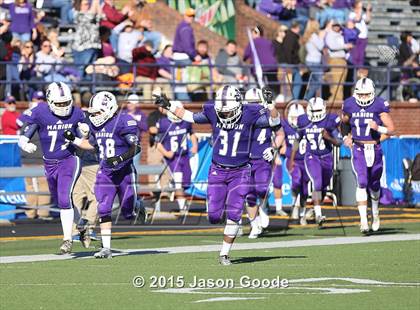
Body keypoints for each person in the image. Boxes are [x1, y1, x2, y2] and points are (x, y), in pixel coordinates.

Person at [153, 85, 281, 265]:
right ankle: (223, 218)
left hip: (241, 170)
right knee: (213, 216)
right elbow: (190, 116)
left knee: (235, 212)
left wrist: (270, 105)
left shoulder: (250, 112)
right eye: (223, 112)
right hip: (217, 169)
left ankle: (224, 254)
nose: (225, 115)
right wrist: (168, 105)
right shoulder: (213, 111)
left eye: (229, 112)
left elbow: (275, 124)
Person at [63, 91, 145, 258]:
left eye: (98, 112)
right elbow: (92, 145)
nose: (94, 116)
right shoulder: (95, 124)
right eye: (92, 112)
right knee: (104, 207)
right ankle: (106, 248)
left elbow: (136, 147)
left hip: (124, 171)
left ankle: (137, 205)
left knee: (128, 212)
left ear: (109, 108)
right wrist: (75, 140)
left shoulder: (124, 121)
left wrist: (120, 158)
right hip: (105, 172)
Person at [17, 82, 86, 254]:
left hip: (69, 160)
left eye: (66, 103)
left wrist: (85, 132)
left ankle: (67, 240)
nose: (63, 107)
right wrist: (24, 144)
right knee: (60, 200)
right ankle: (82, 223)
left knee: (64, 197)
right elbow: (25, 134)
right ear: (49, 101)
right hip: (49, 163)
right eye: (59, 103)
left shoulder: (77, 113)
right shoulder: (40, 111)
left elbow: (85, 138)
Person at [341, 78, 395, 233]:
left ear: (372, 93)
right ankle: (363, 221)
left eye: (366, 95)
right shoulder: (349, 104)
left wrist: (378, 128)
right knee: (362, 181)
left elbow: (391, 129)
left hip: (375, 148)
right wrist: (346, 137)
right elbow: (344, 123)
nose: (364, 97)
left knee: (374, 184)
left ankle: (375, 213)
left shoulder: (379, 104)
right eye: (361, 94)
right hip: (358, 148)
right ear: (356, 93)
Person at [289, 97, 341, 227]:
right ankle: (318, 215)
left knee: (323, 187)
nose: (316, 113)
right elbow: (297, 140)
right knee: (316, 182)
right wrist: (291, 158)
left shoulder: (329, 121)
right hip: (312, 156)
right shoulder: (303, 120)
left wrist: (328, 137)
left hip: (327, 157)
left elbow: (339, 142)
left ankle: (314, 209)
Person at [244, 87, 278, 238]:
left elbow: (280, 131)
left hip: (262, 158)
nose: (253, 105)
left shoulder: (267, 114)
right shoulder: (241, 116)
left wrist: (273, 148)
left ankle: (263, 208)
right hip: (244, 160)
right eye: (251, 102)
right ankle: (254, 225)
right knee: (248, 195)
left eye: (256, 102)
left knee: (262, 189)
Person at [156, 101, 198, 212]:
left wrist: (194, 145)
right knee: (179, 181)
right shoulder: (164, 123)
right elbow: (158, 143)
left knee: (186, 182)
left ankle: (174, 187)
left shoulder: (185, 122)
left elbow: (191, 133)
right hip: (173, 158)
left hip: (184, 155)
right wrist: (166, 153)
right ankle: (182, 206)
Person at [16, 91, 51, 220]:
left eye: (42, 99)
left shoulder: (27, 118)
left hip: (31, 157)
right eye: (38, 99)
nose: (40, 101)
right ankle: (41, 213)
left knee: (33, 186)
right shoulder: (43, 119)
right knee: (40, 186)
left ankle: (33, 213)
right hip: (36, 158)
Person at [278, 102, 309, 224]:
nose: (296, 120)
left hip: (307, 161)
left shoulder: (308, 125)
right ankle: (295, 205)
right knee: (296, 180)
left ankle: (302, 213)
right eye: (293, 118)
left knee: (305, 190)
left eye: (298, 118)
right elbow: (275, 133)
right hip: (293, 161)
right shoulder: (285, 125)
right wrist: (282, 145)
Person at [243, 25, 278, 94]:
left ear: (257, 33)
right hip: (272, 66)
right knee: (272, 84)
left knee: (260, 85)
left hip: (260, 68)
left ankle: (263, 98)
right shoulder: (268, 42)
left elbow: (246, 55)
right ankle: (274, 97)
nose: (252, 35)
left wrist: (245, 59)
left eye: (253, 33)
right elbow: (273, 52)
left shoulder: (253, 42)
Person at [71, 0, 101, 78]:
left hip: (94, 45)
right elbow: (90, 16)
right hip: (82, 48)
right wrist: (95, 2)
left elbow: (101, 16)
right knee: (81, 69)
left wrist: (96, 3)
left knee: (90, 70)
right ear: (79, 5)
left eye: (88, 4)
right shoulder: (77, 14)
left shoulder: (91, 13)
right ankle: (78, 87)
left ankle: (87, 89)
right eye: (85, 4)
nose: (87, 6)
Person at [325, 20, 353, 102]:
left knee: (341, 81)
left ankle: (338, 99)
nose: (336, 27)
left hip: (343, 60)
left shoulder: (340, 35)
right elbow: (332, 46)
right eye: (334, 25)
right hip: (335, 60)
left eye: (338, 25)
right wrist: (345, 46)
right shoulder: (330, 34)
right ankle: (335, 99)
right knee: (337, 81)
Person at [302, 19, 325, 100]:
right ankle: (307, 98)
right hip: (314, 61)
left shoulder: (308, 35)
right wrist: (321, 37)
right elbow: (321, 46)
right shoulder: (314, 36)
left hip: (309, 60)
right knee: (318, 81)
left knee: (313, 82)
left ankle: (310, 99)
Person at [283, 21, 302, 99]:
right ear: (297, 28)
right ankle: (294, 99)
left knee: (297, 82)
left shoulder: (291, 36)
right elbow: (288, 51)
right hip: (292, 64)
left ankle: (294, 99)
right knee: (297, 82)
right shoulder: (291, 37)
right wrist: (290, 64)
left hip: (293, 64)